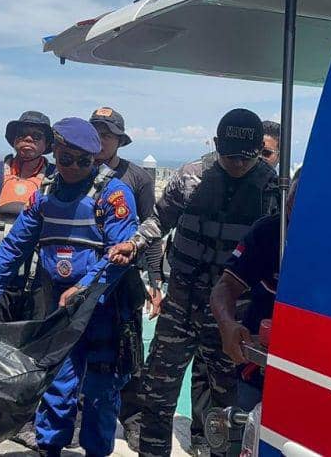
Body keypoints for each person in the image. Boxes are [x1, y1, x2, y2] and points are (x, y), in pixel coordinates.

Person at [108, 108, 278, 457]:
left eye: (247, 159)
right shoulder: (190, 178)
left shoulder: (271, 189)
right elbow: (159, 221)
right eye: (230, 157)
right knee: (157, 392)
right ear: (216, 145)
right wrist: (135, 244)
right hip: (181, 305)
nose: (238, 165)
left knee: (229, 404)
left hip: (232, 315)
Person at [0, 117, 139, 457]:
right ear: (55, 152)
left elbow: (120, 254)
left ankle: (97, 451)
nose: (73, 168)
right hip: (60, 307)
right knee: (57, 382)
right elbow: (13, 249)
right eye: (65, 159)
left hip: (104, 307)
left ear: (94, 159)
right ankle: (49, 448)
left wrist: (84, 288)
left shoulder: (113, 195)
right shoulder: (45, 196)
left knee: (100, 388)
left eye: (84, 161)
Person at [88, 106, 164, 449]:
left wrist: (156, 282)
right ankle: (79, 417)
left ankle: (133, 419)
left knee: (129, 351)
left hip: (122, 281)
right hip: (81, 281)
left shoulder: (138, 177)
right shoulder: (75, 169)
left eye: (107, 135)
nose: (100, 141)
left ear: (119, 140)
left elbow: (152, 228)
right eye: (96, 133)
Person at [211, 169, 299, 412]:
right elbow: (226, 287)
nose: (294, 202)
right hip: (257, 367)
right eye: (293, 194)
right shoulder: (268, 232)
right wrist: (227, 325)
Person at [0, 111, 55, 319]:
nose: (28, 139)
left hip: (40, 279)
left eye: (36, 136)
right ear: (13, 140)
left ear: (46, 145)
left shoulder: (56, 176)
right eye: (22, 134)